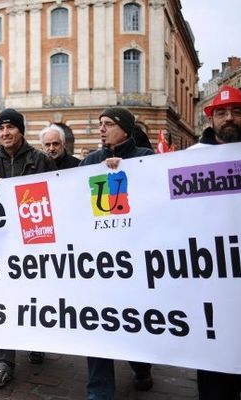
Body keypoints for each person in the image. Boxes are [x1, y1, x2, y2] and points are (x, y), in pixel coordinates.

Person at [190, 86, 241, 400]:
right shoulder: (191, 159)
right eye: (221, 113)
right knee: (215, 382)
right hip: (211, 285)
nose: (229, 118)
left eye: (236, 112)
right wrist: (117, 168)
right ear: (210, 120)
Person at [79, 107, 154, 400]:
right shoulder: (91, 162)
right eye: (100, 124)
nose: (101, 129)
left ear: (124, 128)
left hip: (135, 257)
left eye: (108, 124)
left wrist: (126, 170)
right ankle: (99, 391)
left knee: (134, 321)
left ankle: (141, 366)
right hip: (99, 259)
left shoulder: (146, 158)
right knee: (98, 323)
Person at [0, 108, 56, 388]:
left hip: (33, 242)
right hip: (1, 245)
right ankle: (3, 362)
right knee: (3, 301)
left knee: (33, 297)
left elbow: (56, 196)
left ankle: (35, 339)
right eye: (1, 129)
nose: (5, 133)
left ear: (20, 130)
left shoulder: (41, 160)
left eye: (10, 127)